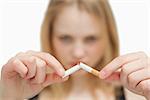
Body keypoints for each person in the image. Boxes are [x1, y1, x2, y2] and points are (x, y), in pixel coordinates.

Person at [0, 0, 149, 100]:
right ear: (49, 36)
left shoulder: (135, 94)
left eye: (91, 38)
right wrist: (10, 97)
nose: (78, 53)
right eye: (65, 38)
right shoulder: (24, 92)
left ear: (109, 38)